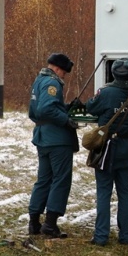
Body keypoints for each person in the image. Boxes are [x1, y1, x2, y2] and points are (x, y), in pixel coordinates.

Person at [85, 53, 128, 246]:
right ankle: (125, 235)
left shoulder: (105, 93)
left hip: (107, 148)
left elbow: (91, 107)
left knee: (104, 192)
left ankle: (101, 237)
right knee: (125, 192)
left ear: (113, 74)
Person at [28, 52, 79, 239]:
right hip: (57, 140)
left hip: (42, 137)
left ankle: (34, 221)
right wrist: (66, 120)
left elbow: (38, 110)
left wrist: (65, 107)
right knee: (60, 179)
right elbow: (46, 108)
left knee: (43, 180)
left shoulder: (39, 80)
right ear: (57, 69)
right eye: (64, 72)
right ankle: (50, 224)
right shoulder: (52, 82)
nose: (64, 76)